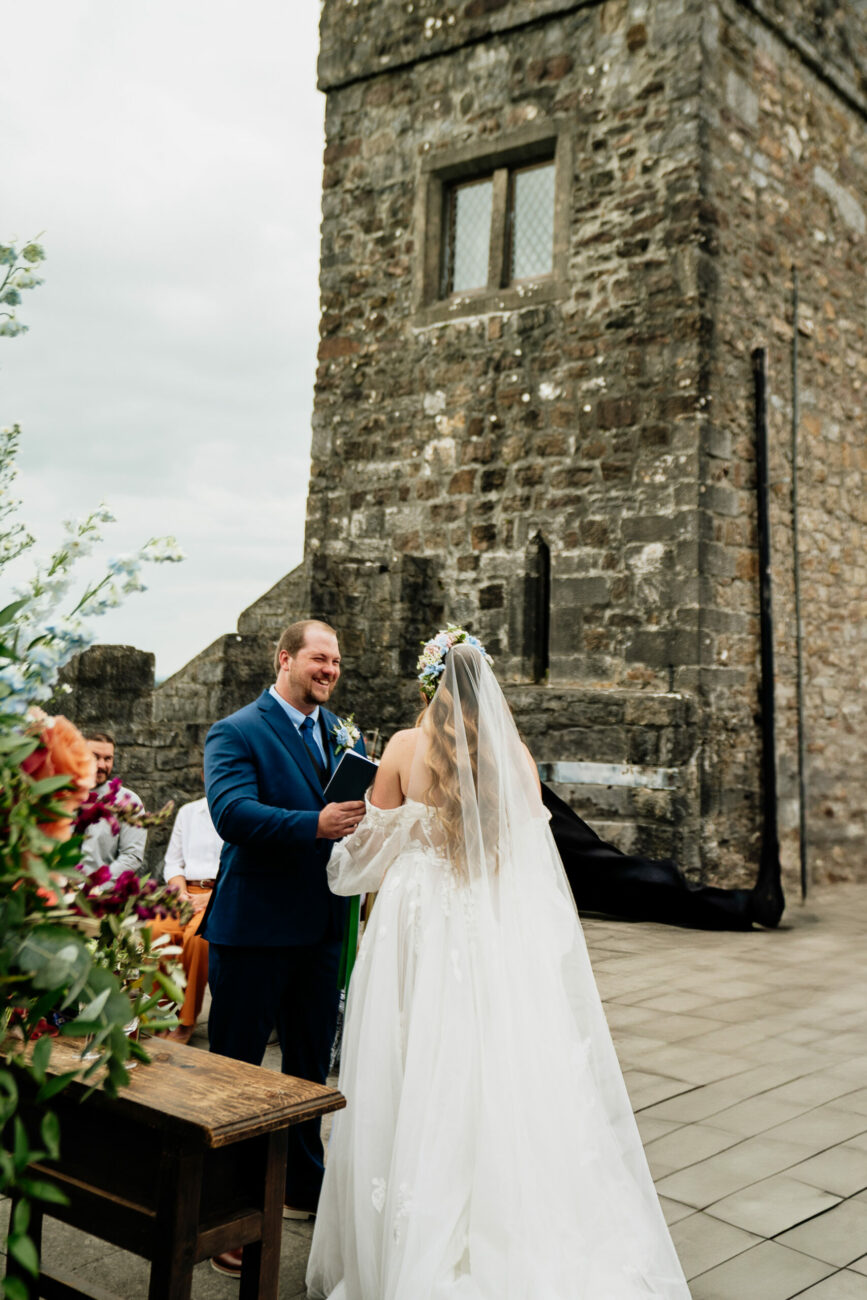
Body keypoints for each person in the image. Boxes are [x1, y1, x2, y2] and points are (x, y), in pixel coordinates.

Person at [307, 633, 690, 1300]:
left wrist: (344, 846)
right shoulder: (515, 755)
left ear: (427, 686)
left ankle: (412, 1236)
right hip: (487, 923)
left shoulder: (400, 749)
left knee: (413, 1058)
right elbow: (526, 860)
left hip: (418, 924)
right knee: (494, 1059)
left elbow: (360, 863)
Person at [203, 619, 367, 1280]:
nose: (328, 670)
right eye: (318, 659)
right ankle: (224, 1212)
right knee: (234, 1075)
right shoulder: (236, 731)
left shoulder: (338, 734)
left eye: (334, 662)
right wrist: (315, 825)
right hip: (254, 931)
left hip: (320, 930)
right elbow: (231, 813)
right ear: (285, 660)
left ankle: (303, 1185)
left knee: (306, 1071)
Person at [148, 790, 222, 1044]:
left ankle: (185, 1021)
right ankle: (162, 1015)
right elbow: (173, 863)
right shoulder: (188, 812)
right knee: (156, 931)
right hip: (185, 892)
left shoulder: (238, 811)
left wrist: (211, 898)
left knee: (197, 938)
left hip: (221, 893)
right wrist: (180, 893)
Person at [80, 730, 146, 878]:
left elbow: (131, 856)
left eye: (108, 758)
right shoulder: (61, 796)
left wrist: (95, 884)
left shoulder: (129, 802)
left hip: (101, 894)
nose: (101, 765)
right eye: (95, 757)